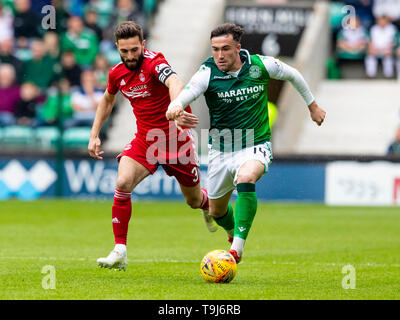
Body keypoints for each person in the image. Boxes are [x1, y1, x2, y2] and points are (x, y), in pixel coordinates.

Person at [166, 23, 326, 263]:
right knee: (217, 211)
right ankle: (231, 232)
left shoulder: (260, 65)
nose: (219, 55)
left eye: (225, 49)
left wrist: (312, 105)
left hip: (255, 144)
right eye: (215, 49)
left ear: (238, 48)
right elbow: (177, 102)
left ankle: (236, 250)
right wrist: (175, 111)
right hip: (220, 149)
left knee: (246, 177)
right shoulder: (207, 73)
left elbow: (292, 73)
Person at [89, 21, 216, 271]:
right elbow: (107, 99)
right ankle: (120, 250)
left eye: (134, 50)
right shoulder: (117, 73)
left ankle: (208, 205)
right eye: (124, 51)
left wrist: (176, 108)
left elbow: (175, 83)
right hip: (145, 140)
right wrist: (94, 134)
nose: (130, 56)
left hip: (176, 138)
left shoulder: (155, 62)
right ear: (117, 48)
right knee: (123, 182)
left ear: (143, 45)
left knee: (192, 200)